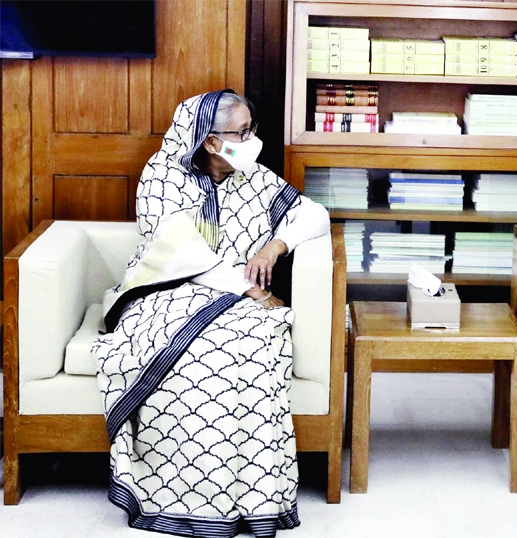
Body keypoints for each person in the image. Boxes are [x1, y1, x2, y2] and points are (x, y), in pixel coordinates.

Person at [92, 89, 330, 537]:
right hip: (164, 293)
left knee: (258, 343)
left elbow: (313, 213)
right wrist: (252, 292)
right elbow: (184, 255)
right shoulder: (163, 176)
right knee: (202, 355)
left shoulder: (254, 176)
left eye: (251, 129)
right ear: (209, 141)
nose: (251, 139)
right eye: (241, 132)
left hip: (240, 300)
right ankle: (184, 498)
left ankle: (249, 496)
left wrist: (275, 245)